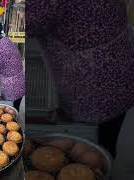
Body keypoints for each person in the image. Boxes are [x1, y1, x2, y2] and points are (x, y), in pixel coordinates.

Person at [26, 0, 134, 157]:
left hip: (94, 80)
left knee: (86, 150)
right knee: (108, 132)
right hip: (118, 62)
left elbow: (26, 22)